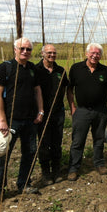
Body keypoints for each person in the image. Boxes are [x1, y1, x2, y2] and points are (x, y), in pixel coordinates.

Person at [0, 37, 44, 205]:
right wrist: (2, 120)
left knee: (29, 153)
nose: (25, 52)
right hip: (10, 122)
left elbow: (38, 91)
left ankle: (24, 184)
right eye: (22, 48)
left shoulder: (32, 69)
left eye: (28, 49)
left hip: (30, 120)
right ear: (15, 49)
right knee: (2, 155)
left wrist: (40, 111)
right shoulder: (5, 68)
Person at [67, 43, 107, 181]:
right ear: (86, 54)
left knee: (99, 139)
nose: (95, 55)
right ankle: (74, 168)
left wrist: (103, 105)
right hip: (82, 111)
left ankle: (99, 163)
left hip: (100, 111)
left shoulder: (105, 70)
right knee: (78, 141)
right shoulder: (76, 68)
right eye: (92, 52)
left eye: (98, 53)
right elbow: (69, 89)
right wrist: (73, 107)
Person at [35, 44, 68, 185]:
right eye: (49, 53)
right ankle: (46, 173)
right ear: (42, 53)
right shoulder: (36, 70)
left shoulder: (61, 70)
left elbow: (67, 89)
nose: (52, 55)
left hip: (58, 112)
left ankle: (56, 170)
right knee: (43, 142)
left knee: (56, 142)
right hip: (41, 113)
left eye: (54, 53)